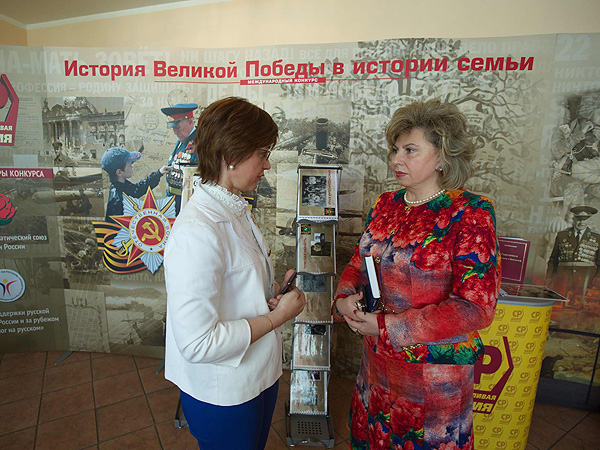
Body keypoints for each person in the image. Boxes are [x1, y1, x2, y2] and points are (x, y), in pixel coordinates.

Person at [333, 99, 500, 450]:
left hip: (433, 380)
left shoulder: (469, 213)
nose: (397, 160)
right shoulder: (386, 205)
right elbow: (359, 262)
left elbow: (475, 308)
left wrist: (387, 327)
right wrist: (344, 297)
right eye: (395, 150)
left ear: (443, 156)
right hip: (376, 367)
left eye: (410, 150)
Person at [164, 97, 305, 450]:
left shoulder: (234, 208)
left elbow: (233, 286)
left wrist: (268, 293)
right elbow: (197, 343)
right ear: (231, 155)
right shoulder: (197, 230)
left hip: (256, 376)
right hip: (223, 393)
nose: (267, 164)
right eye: (262, 153)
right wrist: (279, 317)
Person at [546, 205, 600, 308]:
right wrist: (549, 276)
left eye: (585, 219)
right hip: (563, 275)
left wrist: (598, 276)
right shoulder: (562, 235)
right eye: (578, 219)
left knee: (580, 307)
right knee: (559, 306)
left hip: (586, 277)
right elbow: (553, 259)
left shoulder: (597, 237)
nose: (581, 222)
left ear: (589, 220)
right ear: (574, 219)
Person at [101, 147, 170, 221]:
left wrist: (158, 173)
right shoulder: (118, 200)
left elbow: (138, 189)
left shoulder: (120, 185)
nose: (132, 166)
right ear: (119, 172)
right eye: (129, 165)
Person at [161, 103, 198, 214]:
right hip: (175, 200)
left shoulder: (200, 141)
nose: (175, 132)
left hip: (188, 202)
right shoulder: (183, 139)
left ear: (190, 122)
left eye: (177, 127)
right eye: (173, 128)